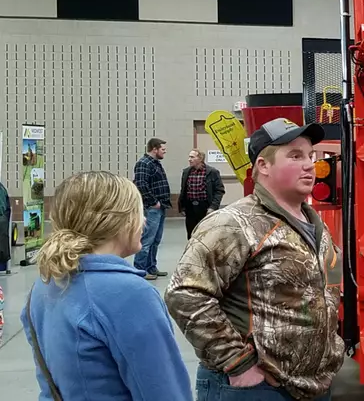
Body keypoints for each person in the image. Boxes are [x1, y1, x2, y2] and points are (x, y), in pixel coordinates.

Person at [166, 118, 343, 401]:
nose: (310, 164)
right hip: (255, 388)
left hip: (312, 384)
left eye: (311, 155)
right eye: (295, 156)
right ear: (263, 166)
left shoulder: (314, 224)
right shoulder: (233, 223)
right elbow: (185, 294)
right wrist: (238, 364)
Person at [20, 171, 192, 401]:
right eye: (137, 212)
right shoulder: (130, 295)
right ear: (118, 221)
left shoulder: (44, 285)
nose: (142, 221)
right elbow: (164, 391)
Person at [133, 137, 171, 280]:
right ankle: (140, 270)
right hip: (152, 208)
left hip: (160, 208)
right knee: (147, 240)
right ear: (154, 149)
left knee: (155, 240)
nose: (164, 152)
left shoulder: (155, 163)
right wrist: (153, 202)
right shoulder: (143, 163)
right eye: (162, 149)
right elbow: (141, 184)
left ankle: (151, 267)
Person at [178, 149, 226, 239]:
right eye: (189, 157)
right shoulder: (186, 172)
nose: (189, 159)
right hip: (190, 208)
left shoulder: (212, 172)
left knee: (206, 235)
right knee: (191, 235)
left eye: (192, 157)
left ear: (200, 159)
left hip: (205, 208)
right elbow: (183, 190)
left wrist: (213, 207)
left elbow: (219, 190)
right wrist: (182, 207)